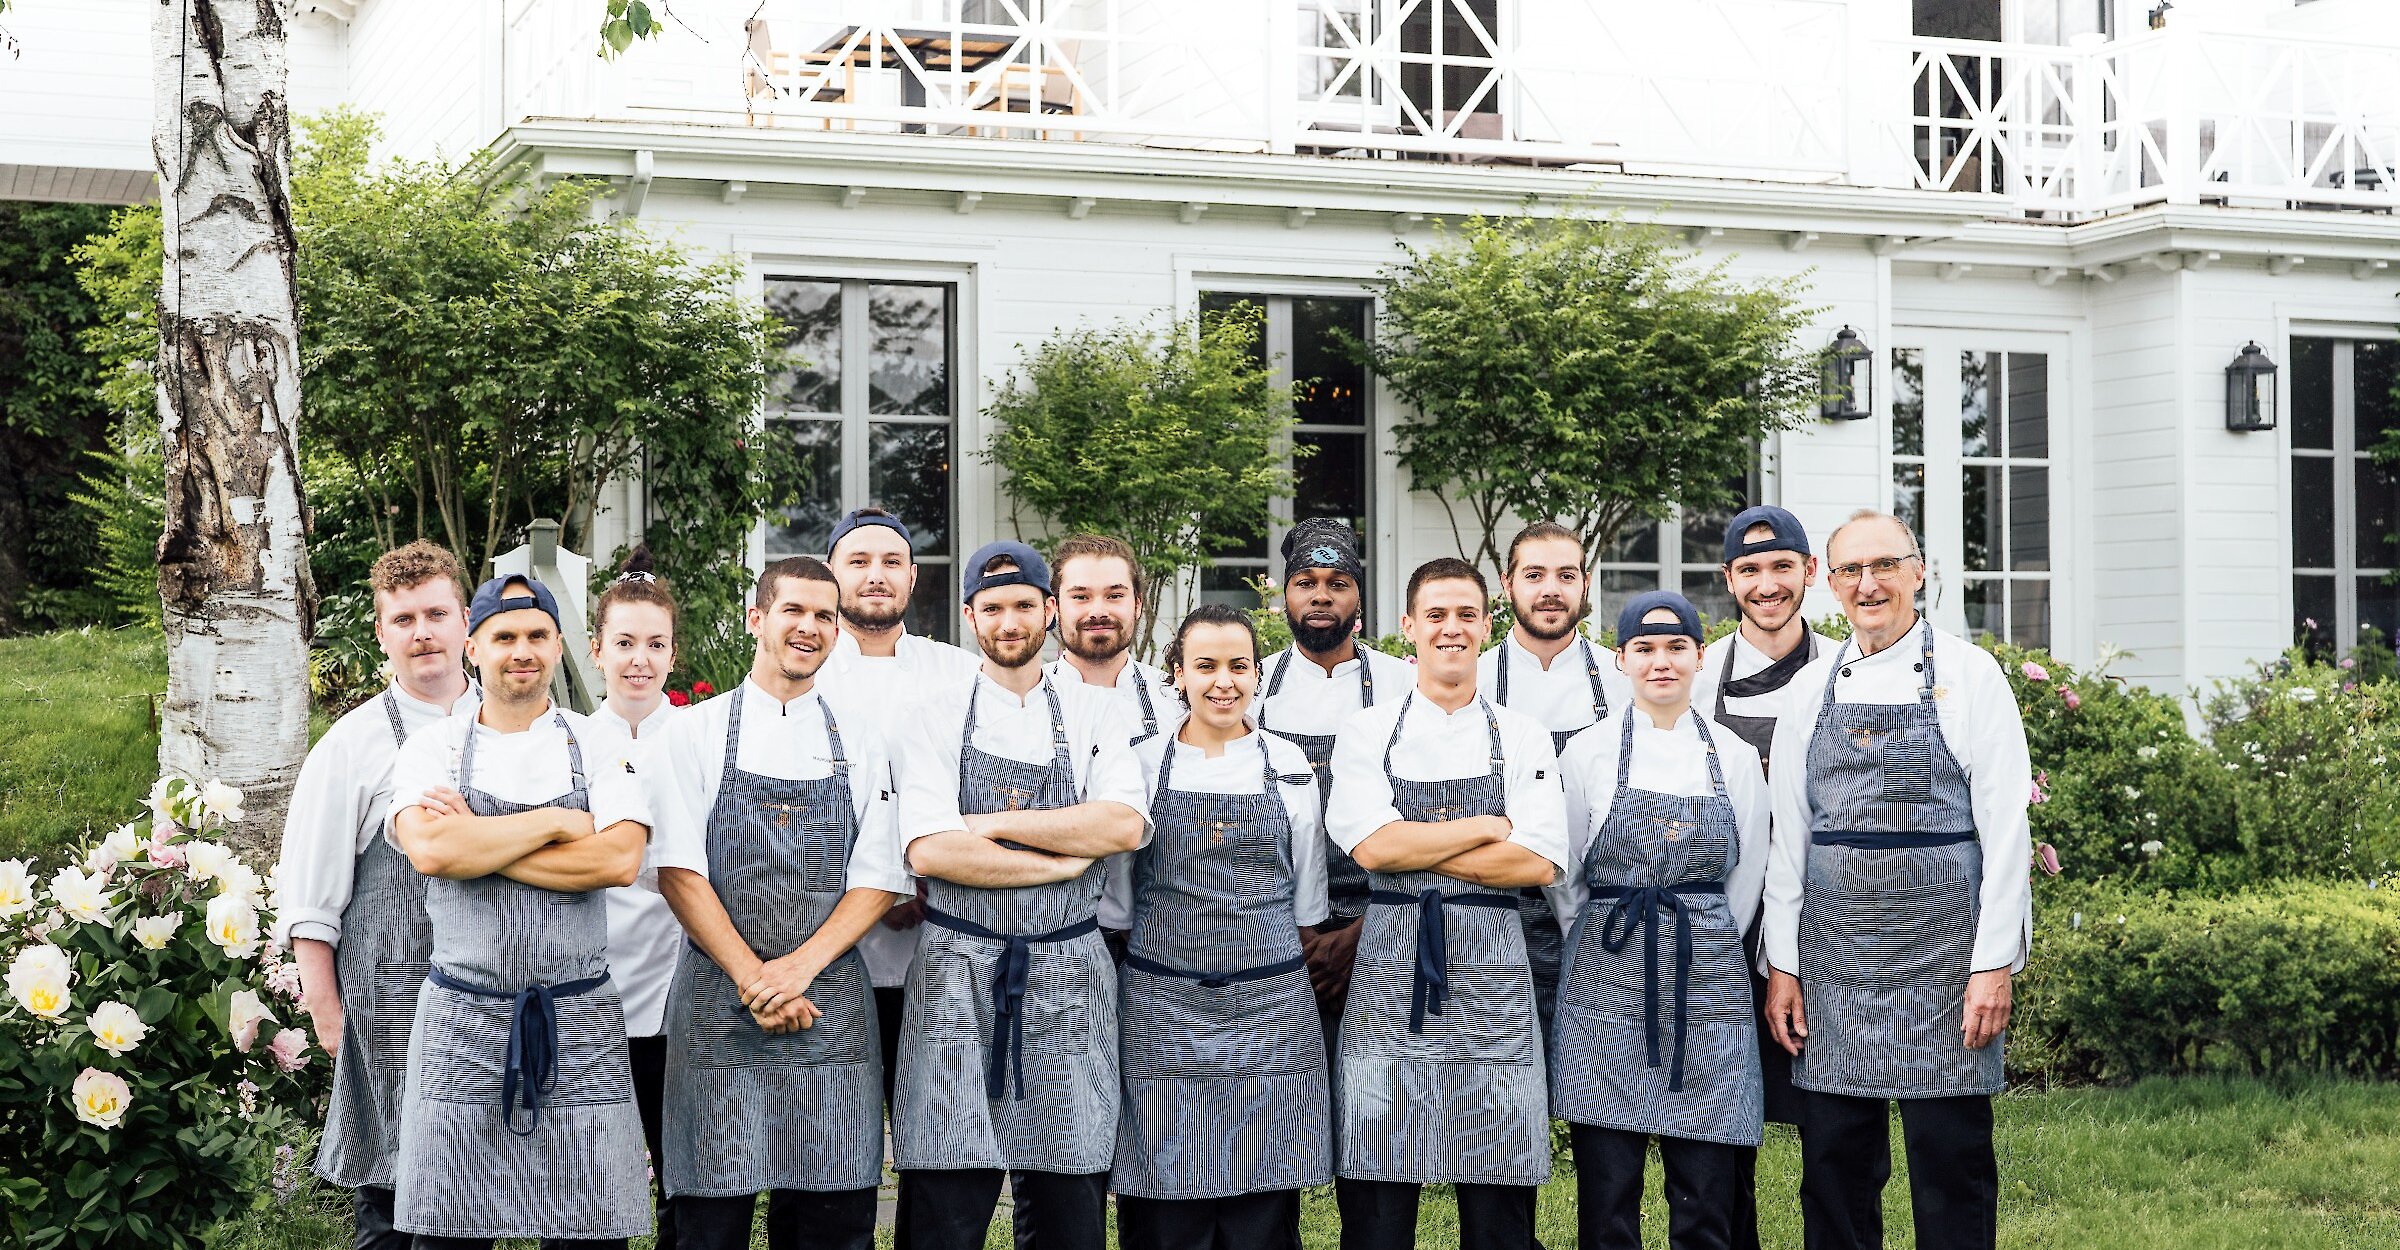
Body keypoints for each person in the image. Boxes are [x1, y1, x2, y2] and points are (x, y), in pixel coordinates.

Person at [1762, 510, 2032, 1250]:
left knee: (1952, 1163)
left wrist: (1992, 964)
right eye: (1850, 570)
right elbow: (1791, 839)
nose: (1868, 584)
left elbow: (2006, 831)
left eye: (1884, 566)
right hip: (1833, 964)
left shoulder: (1973, 676)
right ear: (1833, 583)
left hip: (1945, 964)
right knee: (1834, 1166)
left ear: (1919, 572)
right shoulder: (1810, 688)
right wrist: (1781, 965)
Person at [890, 541, 1151, 1250]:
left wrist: (995, 825)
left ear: (1050, 613)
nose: (1010, 622)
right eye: (994, 608)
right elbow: (931, 849)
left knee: (1069, 1197)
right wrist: (1063, 864)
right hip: (953, 975)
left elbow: (1122, 823)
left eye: (1025, 606)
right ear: (970, 615)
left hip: (1071, 977)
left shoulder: (1097, 714)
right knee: (945, 1188)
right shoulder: (932, 714)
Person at [646, 557, 908, 1250]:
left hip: (831, 1014)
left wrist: (796, 971)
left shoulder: (862, 740)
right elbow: (678, 871)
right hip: (716, 1011)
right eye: (794, 610)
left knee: (833, 1225)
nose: (810, 627)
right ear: (758, 619)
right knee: (709, 1223)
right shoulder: (691, 732)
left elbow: (879, 877)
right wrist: (754, 978)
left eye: (826, 616)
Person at [387, 574, 652, 1247]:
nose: (521, 650)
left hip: (578, 1023)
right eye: (504, 637)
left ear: (559, 646)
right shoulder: (433, 748)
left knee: (589, 1232)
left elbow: (617, 860)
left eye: (537, 635)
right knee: (448, 1233)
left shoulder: (599, 743)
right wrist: (564, 820)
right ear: (473, 647)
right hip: (461, 1024)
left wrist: (480, 839)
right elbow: (430, 849)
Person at [1324, 557, 1568, 1250]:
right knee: (1378, 1197)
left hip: (1494, 976)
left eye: (1465, 614)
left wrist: (1416, 845)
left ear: (1486, 625)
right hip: (1390, 972)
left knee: (1498, 1203)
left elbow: (1538, 860)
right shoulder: (1368, 731)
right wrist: (1488, 826)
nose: (1451, 629)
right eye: (1436, 615)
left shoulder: (1521, 734)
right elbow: (1369, 849)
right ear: (1409, 627)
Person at [1549, 591, 1771, 1250]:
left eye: (1676, 648)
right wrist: (1601, 946)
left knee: (1706, 1188)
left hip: (1707, 985)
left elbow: (1748, 871)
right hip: (1603, 985)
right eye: (1644, 649)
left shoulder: (1731, 756)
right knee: (1607, 1186)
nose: (1661, 663)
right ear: (1620, 660)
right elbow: (1565, 879)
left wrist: (1695, 938)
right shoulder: (1585, 754)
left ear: (1701, 656)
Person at [1109, 604, 1333, 1250]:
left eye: (1238, 666)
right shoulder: (1142, 765)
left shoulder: (1290, 766)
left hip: (1269, 1009)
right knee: (1165, 1195)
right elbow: (1120, 904)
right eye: (1205, 666)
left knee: (1260, 1199)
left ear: (1257, 675)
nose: (1223, 682)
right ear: (1177, 674)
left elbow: (1307, 900)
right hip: (1161, 1007)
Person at [277, 541, 477, 1250]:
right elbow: (311, 901)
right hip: (391, 1003)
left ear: (466, 621)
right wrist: (329, 1016)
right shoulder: (352, 745)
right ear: (381, 633)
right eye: (403, 619)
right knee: (390, 1202)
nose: (422, 632)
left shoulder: (514, 729)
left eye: (435, 613)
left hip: (490, 1002)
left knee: (473, 1197)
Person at [1688, 504, 1843, 1250]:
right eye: (1750, 569)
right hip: (1725, 923)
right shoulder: (1696, 677)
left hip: (1829, 919)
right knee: (1722, 1127)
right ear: (1729, 580)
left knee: (1835, 1127)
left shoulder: (1847, 667)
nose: (1767, 583)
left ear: (1810, 572)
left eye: (1782, 566)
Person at [813, 507, 979, 1130]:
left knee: (936, 1135)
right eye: (858, 562)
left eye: (890, 563)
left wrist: (924, 879)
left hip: (944, 939)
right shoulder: (803, 675)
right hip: (826, 942)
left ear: (914, 577)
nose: (874, 576)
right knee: (829, 1137)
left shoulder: (959, 674)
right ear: (832, 574)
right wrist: (875, 890)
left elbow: (976, 795)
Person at [1254, 519, 1416, 1068]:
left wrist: (1360, 933)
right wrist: (1299, 935)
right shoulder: (1249, 689)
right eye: (1306, 581)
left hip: (1386, 920)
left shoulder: (1404, 687)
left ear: (1359, 597)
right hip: (1274, 927)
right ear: (1284, 595)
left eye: (1338, 582)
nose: (1321, 595)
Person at [1477, 520, 1632, 1043]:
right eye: (1534, 574)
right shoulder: (1468, 681)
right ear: (1507, 583)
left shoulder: (1622, 682)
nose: (1550, 590)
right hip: (1495, 907)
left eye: (1566, 575)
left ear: (1586, 583)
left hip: (1602, 903)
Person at [578, 547, 688, 1250]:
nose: (638, 660)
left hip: (681, 978)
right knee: (599, 1174)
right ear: (597, 651)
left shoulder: (701, 739)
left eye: (654, 644)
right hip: (593, 981)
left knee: (683, 1167)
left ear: (674, 655)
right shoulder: (571, 741)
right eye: (624, 643)